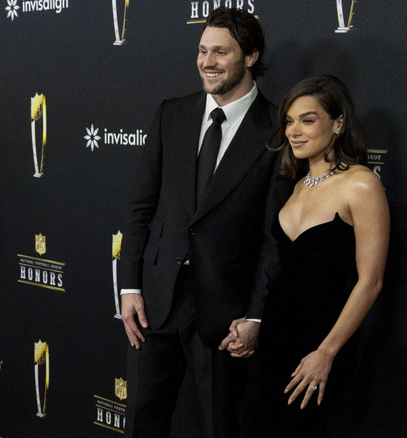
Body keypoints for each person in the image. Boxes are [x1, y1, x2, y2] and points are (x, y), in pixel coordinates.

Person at [117, 7, 290, 438]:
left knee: (218, 425)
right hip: (157, 301)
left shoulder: (276, 131)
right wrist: (130, 286)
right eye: (201, 50)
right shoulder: (170, 114)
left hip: (225, 310)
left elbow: (274, 237)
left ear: (251, 57)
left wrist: (256, 316)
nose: (206, 62)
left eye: (220, 52)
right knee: (143, 419)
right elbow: (141, 208)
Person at [250, 75, 390, 437]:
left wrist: (326, 352)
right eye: (289, 121)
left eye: (307, 120)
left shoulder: (361, 184)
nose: (294, 131)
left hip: (324, 340)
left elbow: (371, 281)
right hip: (276, 338)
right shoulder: (297, 185)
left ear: (338, 123)